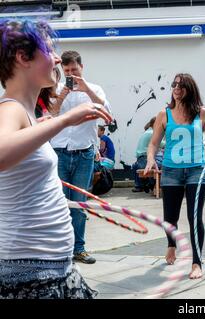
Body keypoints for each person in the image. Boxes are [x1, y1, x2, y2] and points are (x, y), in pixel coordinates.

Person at [0, 19, 112, 298]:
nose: (58, 58)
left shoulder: (27, 113)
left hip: (51, 267)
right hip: (30, 273)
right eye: (50, 51)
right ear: (23, 57)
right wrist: (63, 121)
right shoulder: (10, 109)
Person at [144, 73, 205, 279]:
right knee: (170, 217)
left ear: (190, 89)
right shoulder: (164, 114)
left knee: (195, 218)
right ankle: (171, 245)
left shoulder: (202, 114)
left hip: (197, 169)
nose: (176, 89)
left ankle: (196, 262)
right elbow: (153, 143)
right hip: (171, 170)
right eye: (174, 85)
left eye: (181, 86)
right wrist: (151, 159)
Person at [51, 50, 112, 264]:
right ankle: (60, 250)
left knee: (79, 204)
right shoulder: (56, 89)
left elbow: (107, 113)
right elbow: (50, 115)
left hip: (84, 152)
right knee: (59, 203)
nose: (70, 74)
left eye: (74, 70)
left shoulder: (94, 89)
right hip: (58, 152)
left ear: (81, 68)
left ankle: (79, 248)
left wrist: (86, 89)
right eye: (66, 70)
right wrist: (63, 94)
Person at [131, 117, 164, 193]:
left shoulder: (147, 132)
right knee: (160, 166)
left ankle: (143, 185)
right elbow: (163, 144)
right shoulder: (152, 133)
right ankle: (152, 185)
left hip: (140, 158)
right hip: (145, 157)